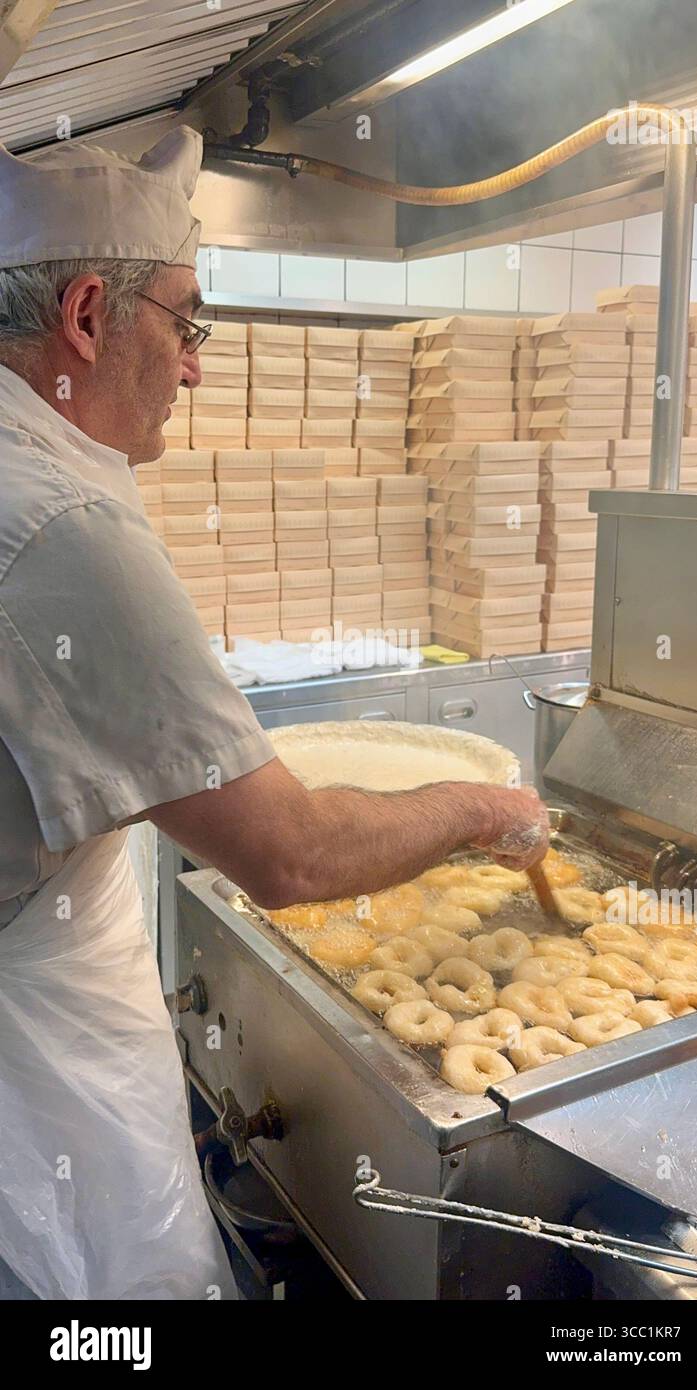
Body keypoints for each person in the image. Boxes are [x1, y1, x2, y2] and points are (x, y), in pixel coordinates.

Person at [0, 127, 549, 1300]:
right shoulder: (60, 527)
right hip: (39, 1074)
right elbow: (291, 855)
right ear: (89, 315)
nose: (196, 366)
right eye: (186, 322)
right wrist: (483, 806)